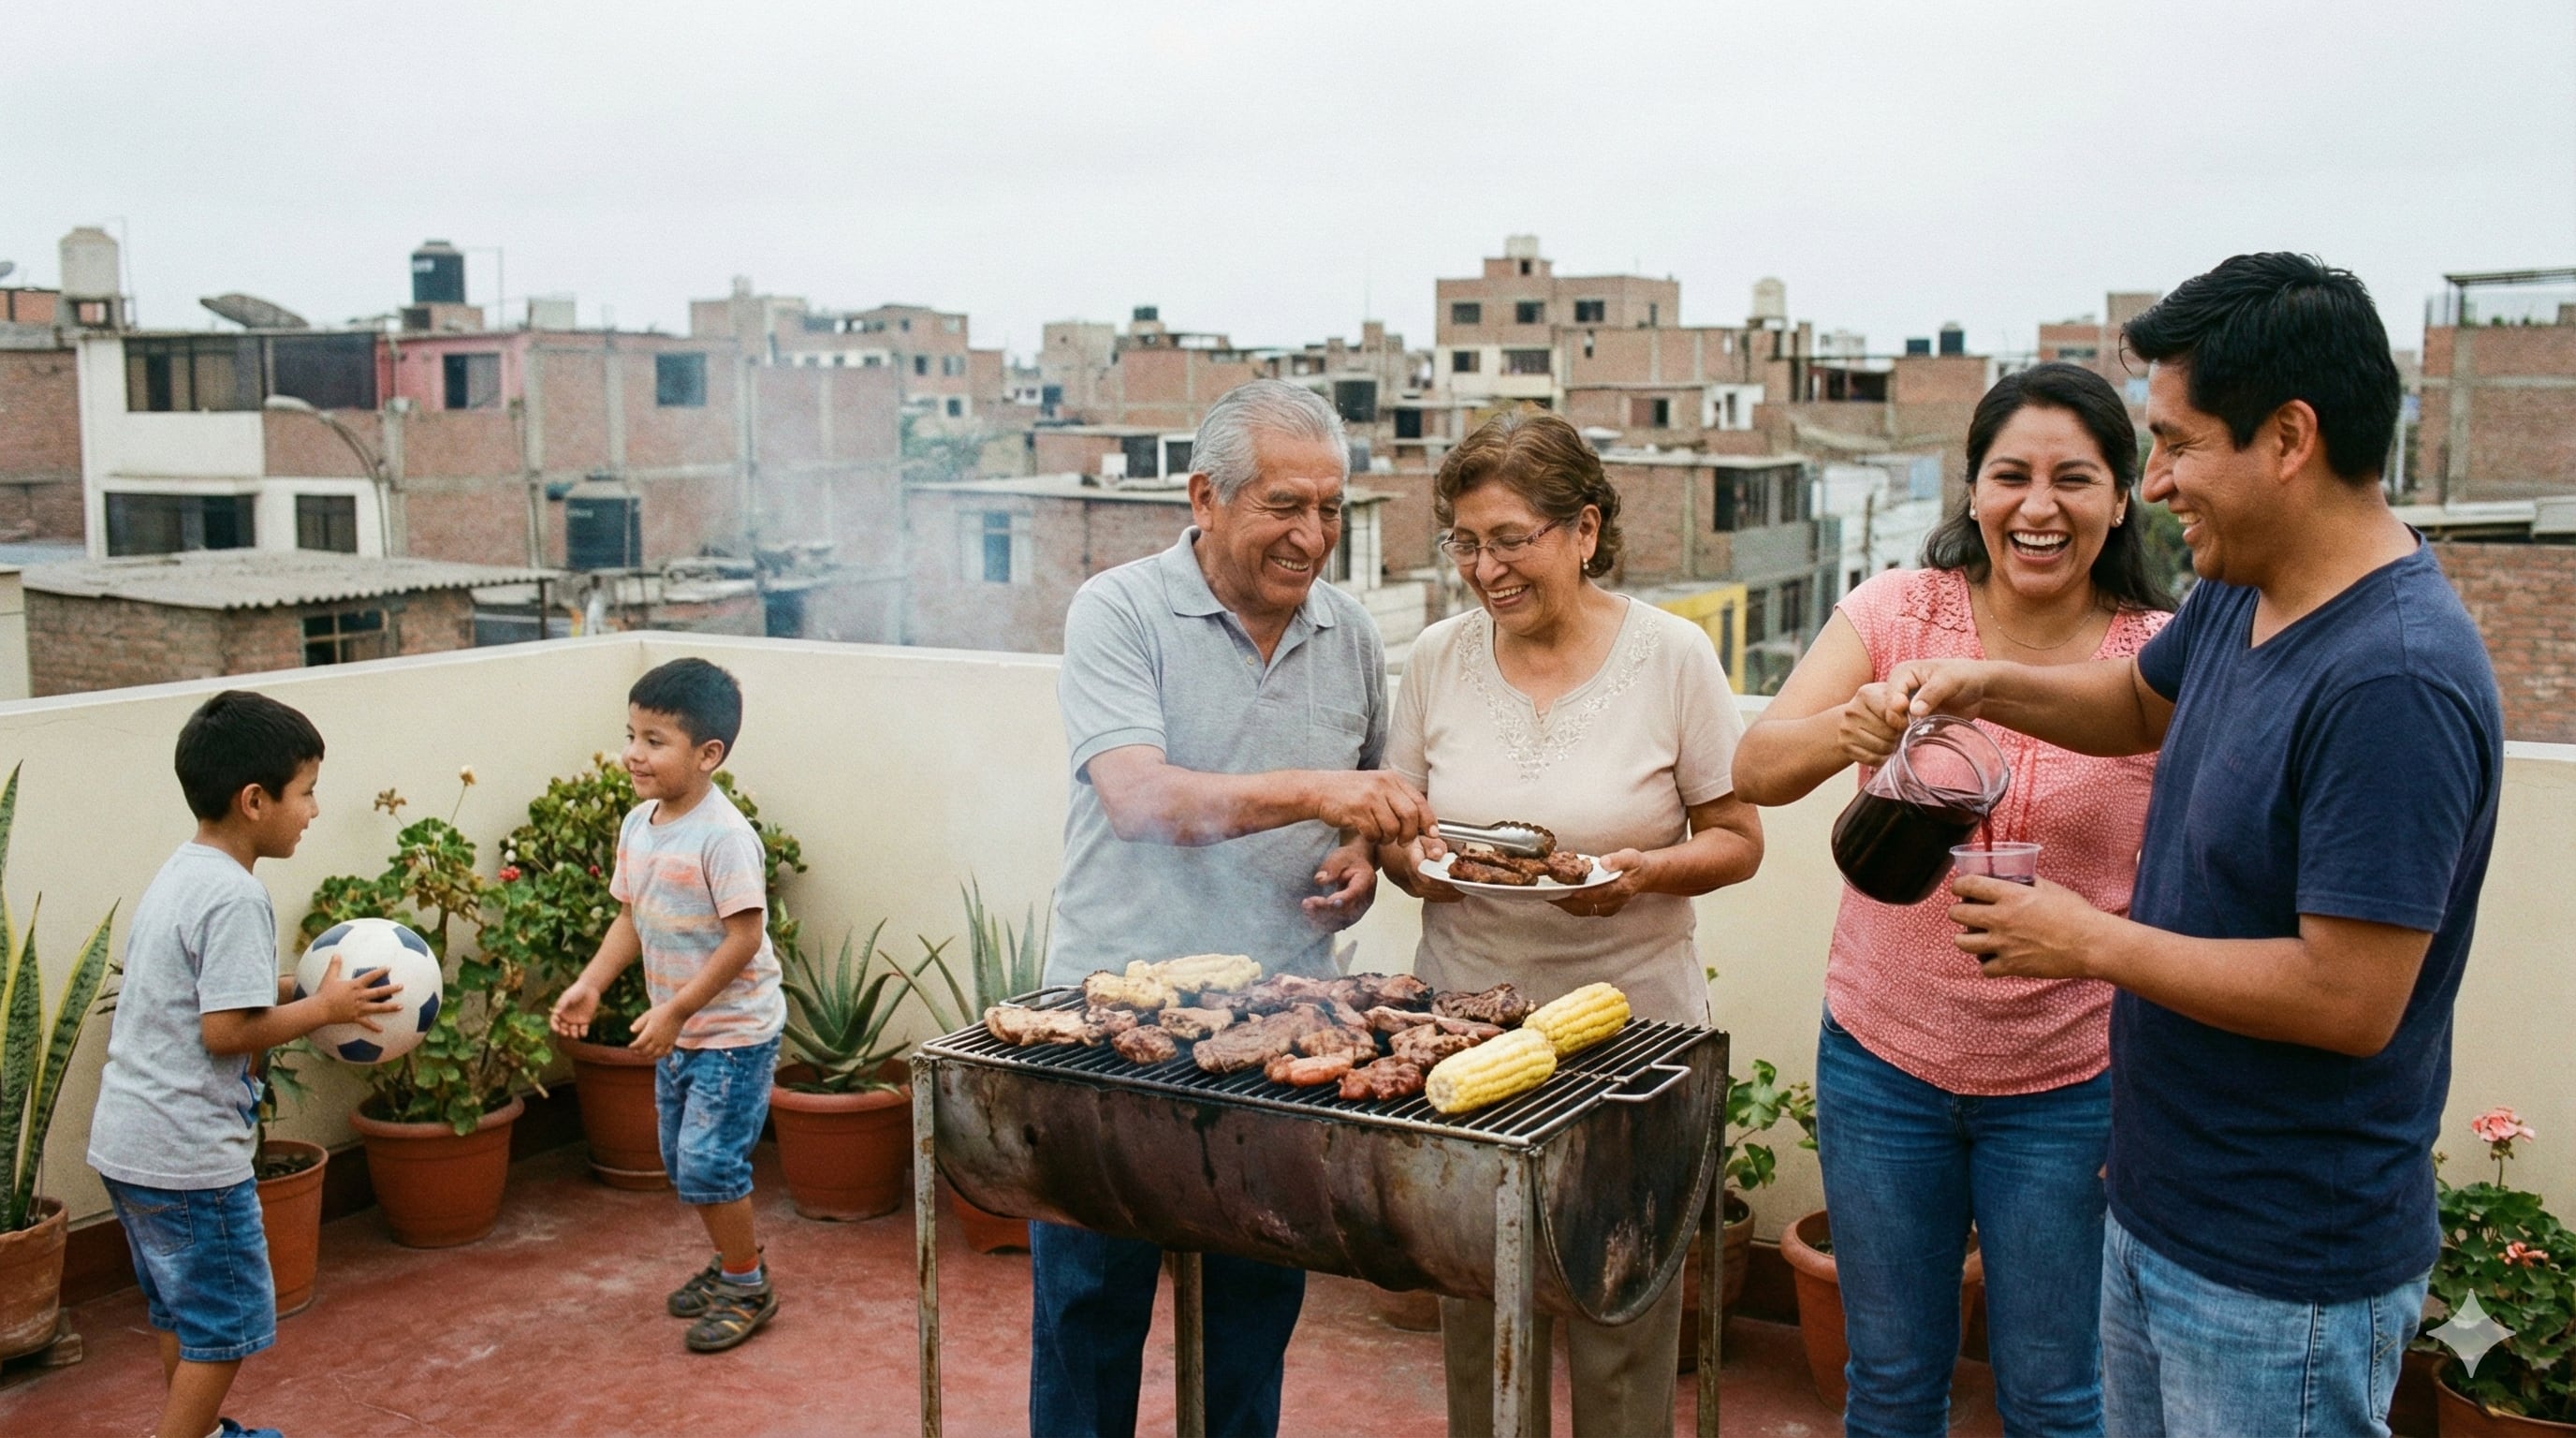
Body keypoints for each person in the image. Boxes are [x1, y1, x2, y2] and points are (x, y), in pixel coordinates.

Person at [1879, 254, 2503, 1437]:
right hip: (2163, 1202)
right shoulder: (2245, 582)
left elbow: (2350, 995)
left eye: (2176, 443)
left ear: (2288, 436)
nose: (2154, 481)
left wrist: (2087, 940)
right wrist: (1989, 681)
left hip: (2281, 1265)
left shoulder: (2394, 678)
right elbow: (2134, 707)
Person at [1733, 363, 2174, 1438]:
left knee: (2056, 1394)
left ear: (2120, 497)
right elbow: (1754, 767)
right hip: (1883, 1061)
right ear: (1971, 490)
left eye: (2073, 478)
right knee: (1887, 1382)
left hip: (2070, 1082)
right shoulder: (1898, 610)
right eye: (2009, 474)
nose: (2037, 506)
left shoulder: (2157, 655)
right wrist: (1849, 729)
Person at [1031, 377, 1431, 1438]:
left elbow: (1365, 796)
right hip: (1109, 1014)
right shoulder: (1117, 611)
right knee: (1089, 1310)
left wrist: (1357, 849)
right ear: (1204, 497)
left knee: (1253, 1313)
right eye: (1284, 507)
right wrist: (1317, 794)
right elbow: (1136, 798)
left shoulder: (1347, 634)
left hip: (1284, 1020)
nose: (1313, 537)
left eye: (1331, 509)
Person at [1378, 408, 1764, 1437]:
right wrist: (1420, 868)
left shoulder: (1672, 657)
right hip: (1465, 1037)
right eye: (1464, 543)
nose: (1483, 569)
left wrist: (1640, 876)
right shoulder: (1433, 658)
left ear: (1583, 531)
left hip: (1634, 1046)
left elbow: (1736, 838)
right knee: (1479, 1314)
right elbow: (1396, 833)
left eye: (1510, 539)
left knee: (1621, 1322)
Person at [87, 690, 402, 1438]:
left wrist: (310, 989)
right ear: (255, 800)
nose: (316, 811)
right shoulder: (234, 897)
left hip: (132, 1147)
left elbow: (219, 1000)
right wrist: (325, 1011)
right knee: (226, 1324)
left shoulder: (186, 871)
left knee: (181, 1311)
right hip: (188, 1156)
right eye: (308, 791)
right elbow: (227, 1031)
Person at [550, 657, 786, 1355]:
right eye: (632, 734)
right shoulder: (639, 825)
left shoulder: (723, 837)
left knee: (711, 1164)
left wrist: (678, 1009)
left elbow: (746, 938)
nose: (633, 753)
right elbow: (631, 918)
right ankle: (733, 1260)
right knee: (685, 1164)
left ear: (708, 754)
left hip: (733, 1034)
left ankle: (747, 1283)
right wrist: (592, 983)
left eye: (655, 740)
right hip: (680, 1030)